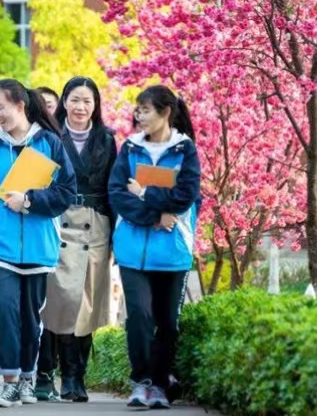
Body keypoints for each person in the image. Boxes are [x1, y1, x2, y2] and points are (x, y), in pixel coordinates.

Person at [0, 79, 78, 408]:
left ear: (20, 105)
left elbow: (66, 193)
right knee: (4, 310)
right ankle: (10, 381)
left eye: (1, 107)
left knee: (31, 317)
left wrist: (28, 201)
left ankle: (28, 378)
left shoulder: (50, 143)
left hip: (40, 245)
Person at [108, 85, 201, 410]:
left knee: (167, 322)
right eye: (138, 110)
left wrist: (146, 194)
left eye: (145, 110)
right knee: (139, 316)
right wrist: (153, 218)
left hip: (172, 250)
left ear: (164, 112)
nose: (139, 116)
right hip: (133, 247)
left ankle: (160, 385)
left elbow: (185, 195)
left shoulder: (184, 150)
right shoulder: (130, 148)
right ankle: (142, 381)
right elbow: (117, 193)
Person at [36, 77, 118, 403]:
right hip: (62, 224)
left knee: (88, 303)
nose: (80, 107)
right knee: (63, 301)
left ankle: (76, 376)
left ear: (95, 105)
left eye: (87, 101)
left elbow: (115, 188)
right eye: (74, 100)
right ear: (64, 102)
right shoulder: (51, 137)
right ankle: (61, 373)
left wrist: (115, 237)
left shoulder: (108, 140)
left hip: (96, 226)